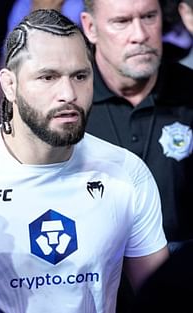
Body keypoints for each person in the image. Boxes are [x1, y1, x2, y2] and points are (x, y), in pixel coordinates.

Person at [0, 9, 168, 313]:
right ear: (9, 85)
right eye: (47, 77)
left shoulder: (128, 173)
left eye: (80, 76)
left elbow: (163, 298)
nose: (68, 94)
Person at [80, 0, 193, 251]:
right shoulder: (69, 104)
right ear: (90, 28)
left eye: (149, 17)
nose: (140, 35)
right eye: (121, 22)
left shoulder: (190, 92)